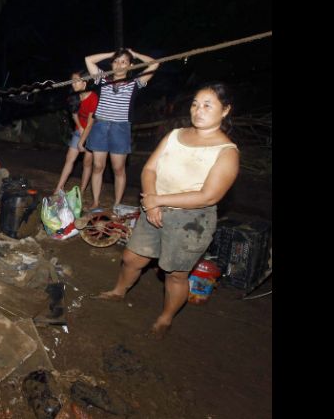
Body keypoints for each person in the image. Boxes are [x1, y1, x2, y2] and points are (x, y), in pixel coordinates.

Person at [93, 83, 239, 339]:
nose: (198, 110)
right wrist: (152, 199)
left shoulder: (226, 152)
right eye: (195, 104)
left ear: (225, 110)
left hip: (192, 220)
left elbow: (209, 195)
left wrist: (158, 200)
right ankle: (118, 292)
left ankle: (165, 318)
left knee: (175, 275)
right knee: (132, 258)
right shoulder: (175, 135)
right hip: (154, 206)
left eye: (207, 105)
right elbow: (149, 169)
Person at [84, 48, 159, 208]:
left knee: (118, 168)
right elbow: (89, 59)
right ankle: (96, 201)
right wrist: (112, 54)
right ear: (112, 64)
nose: (119, 64)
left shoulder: (135, 83)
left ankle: (117, 204)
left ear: (131, 65)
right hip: (100, 126)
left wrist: (135, 53)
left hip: (120, 128)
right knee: (98, 166)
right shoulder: (103, 79)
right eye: (116, 61)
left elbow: (155, 64)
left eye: (124, 61)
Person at [54, 71, 99, 195]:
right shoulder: (72, 96)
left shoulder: (93, 97)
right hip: (80, 130)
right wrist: (79, 127)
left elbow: (90, 123)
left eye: (76, 81)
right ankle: (58, 188)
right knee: (69, 159)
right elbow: (74, 115)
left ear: (84, 83)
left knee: (87, 163)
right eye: (72, 81)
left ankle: (82, 191)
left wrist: (82, 141)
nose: (73, 84)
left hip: (93, 132)